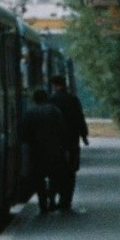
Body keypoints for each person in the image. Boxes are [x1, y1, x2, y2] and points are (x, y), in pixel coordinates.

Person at [20, 89, 65, 216]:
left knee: (38, 178)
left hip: (36, 151)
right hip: (54, 149)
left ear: (34, 100)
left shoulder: (29, 113)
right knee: (54, 177)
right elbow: (62, 130)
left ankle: (43, 204)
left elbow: (24, 135)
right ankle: (52, 199)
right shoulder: (55, 111)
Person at [47, 74, 89, 211]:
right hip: (71, 140)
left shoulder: (51, 100)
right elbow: (80, 118)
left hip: (55, 142)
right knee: (70, 171)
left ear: (54, 85)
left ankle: (52, 199)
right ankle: (66, 201)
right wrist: (84, 136)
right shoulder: (73, 99)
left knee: (54, 171)